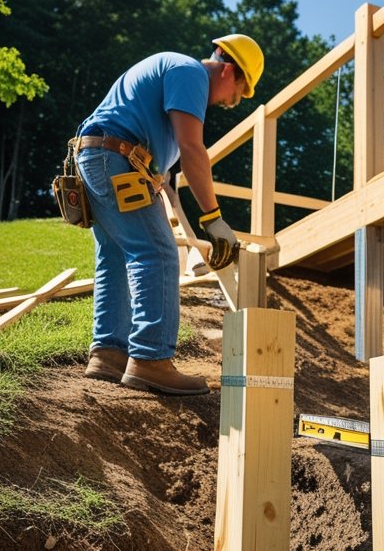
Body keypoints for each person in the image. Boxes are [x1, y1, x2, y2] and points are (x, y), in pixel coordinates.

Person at [73, 34, 264, 395]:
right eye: (237, 93)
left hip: (99, 156)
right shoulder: (189, 72)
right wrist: (214, 219)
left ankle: (109, 354)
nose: (229, 103)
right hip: (114, 156)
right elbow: (194, 149)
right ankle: (150, 359)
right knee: (158, 253)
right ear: (228, 71)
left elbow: (168, 165)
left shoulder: (173, 77)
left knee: (113, 255)